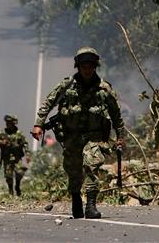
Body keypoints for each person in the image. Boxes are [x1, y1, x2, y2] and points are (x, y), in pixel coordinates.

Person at [31, 47, 126, 219]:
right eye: (84, 66)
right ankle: (76, 199)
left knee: (92, 165)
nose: (87, 70)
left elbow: (116, 114)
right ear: (78, 67)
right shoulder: (67, 85)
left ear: (95, 66)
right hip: (71, 136)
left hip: (94, 136)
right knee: (73, 169)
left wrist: (120, 137)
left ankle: (91, 205)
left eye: (90, 66)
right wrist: (39, 124)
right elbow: (49, 102)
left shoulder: (104, 88)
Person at [0, 115, 30, 196]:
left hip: (17, 157)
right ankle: (10, 190)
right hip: (7, 158)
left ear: (14, 123)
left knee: (19, 172)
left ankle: (17, 186)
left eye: (9, 123)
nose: (8, 124)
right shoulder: (2, 132)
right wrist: (2, 142)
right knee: (8, 175)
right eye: (7, 123)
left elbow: (25, 144)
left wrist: (27, 154)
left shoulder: (19, 133)